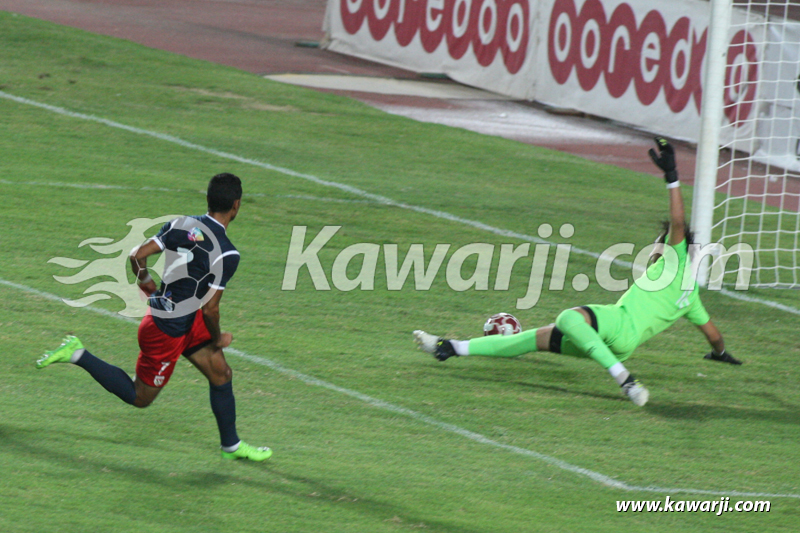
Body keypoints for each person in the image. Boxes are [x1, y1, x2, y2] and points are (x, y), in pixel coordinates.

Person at [413, 137, 741, 407]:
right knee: (532, 339)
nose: (653, 249)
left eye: (657, 245)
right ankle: (449, 348)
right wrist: (721, 355)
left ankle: (627, 382)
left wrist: (672, 176)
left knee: (570, 318)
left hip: (618, 324)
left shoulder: (675, 258)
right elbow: (713, 335)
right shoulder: (691, 297)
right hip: (622, 344)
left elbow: (678, 222)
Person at [37, 173, 272, 460]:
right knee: (140, 397)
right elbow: (211, 308)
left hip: (178, 315)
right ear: (236, 205)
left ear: (208, 200)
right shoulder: (226, 253)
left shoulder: (181, 224)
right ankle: (78, 354)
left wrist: (145, 281)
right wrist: (217, 337)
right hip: (167, 330)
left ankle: (231, 446)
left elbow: (136, 256)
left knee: (221, 373)